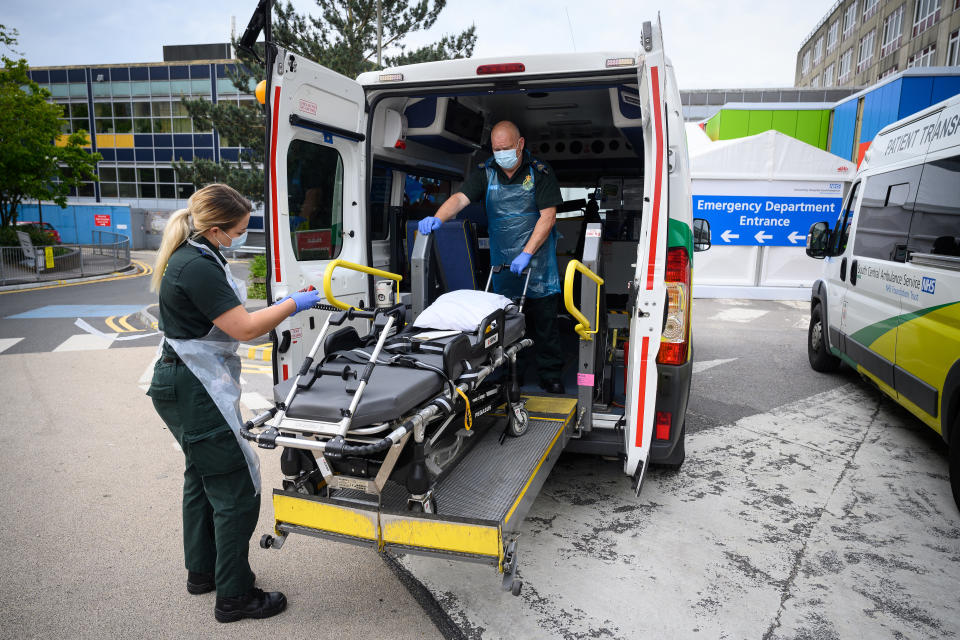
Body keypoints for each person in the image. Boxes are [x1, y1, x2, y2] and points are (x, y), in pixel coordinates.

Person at [147, 184, 321, 623]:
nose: (243, 235)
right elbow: (243, 328)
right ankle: (235, 596)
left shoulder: (197, 254)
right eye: (241, 229)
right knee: (236, 489)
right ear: (218, 229)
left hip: (183, 380)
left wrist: (276, 314)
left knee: (202, 479)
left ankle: (203, 573)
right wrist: (291, 305)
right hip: (193, 386)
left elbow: (230, 323)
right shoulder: (197, 266)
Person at [418, 120, 565, 393]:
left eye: (506, 148)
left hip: (538, 262)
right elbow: (460, 198)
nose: (501, 154)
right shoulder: (487, 172)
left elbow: (548, 217)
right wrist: (438, 218)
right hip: (502, 261)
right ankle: (509, 373)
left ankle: (550, 373)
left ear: (520, 145)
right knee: (505, 324)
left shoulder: (540, 172)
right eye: (496, 149)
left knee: (545, 323)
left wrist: (526, 253)